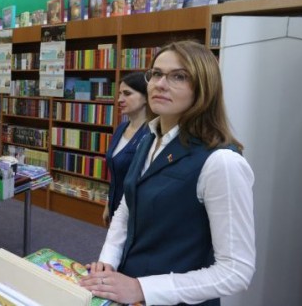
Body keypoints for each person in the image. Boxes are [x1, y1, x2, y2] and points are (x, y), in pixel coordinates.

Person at [81, 41, 255, 305]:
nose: (160, 84)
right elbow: (127, 207)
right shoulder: (149, 138)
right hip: (128, 288)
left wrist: (142, 288)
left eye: (179, 76)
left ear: (204, 87)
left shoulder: (222, 162)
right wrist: (108, 261)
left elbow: (236, 271)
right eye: (156, 74)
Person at [103, 72, 150, 224]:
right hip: (115, 205)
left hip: (136, 213)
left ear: (146, 97)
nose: (120, 99)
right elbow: (115, 175)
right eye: (119, 94)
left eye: (127, 94)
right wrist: (108, 203)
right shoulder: (121, 128)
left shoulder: (151, 134)